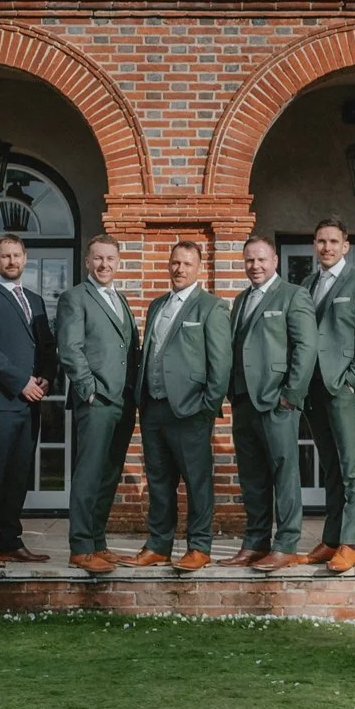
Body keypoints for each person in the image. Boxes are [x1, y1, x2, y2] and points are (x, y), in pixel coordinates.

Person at [120, 240, 231, 573]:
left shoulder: (211, 307)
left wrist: (207, 407)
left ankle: (199, 546)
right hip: (153, 408)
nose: (179, 269)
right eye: (175, 263)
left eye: (186, 264)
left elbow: (221, 363)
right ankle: (158, 545)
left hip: (191, 409)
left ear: (199, 268)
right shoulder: (157, 305)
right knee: (158, 481)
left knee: (197, 482)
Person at [223, 235, 316, 572]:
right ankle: (255, 542)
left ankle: (286, 544)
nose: (255, 266)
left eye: (261, 259)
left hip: (277, 401)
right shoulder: (240, 299)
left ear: (274, 261)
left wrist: (291, 396)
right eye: (249, 260)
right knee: (252, 476)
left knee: (283, 474)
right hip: (243, 400)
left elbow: (306, 347)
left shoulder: (293, 295)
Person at [296, 215, 355, 574]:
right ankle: (331, 539)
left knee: (352, 467)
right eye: (321, 241)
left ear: (346, 245)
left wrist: (353, 378)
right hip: (314, 388)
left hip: (344, 388)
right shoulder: (307, 283)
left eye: (333, 241)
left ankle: (350, 543)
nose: (327, 247)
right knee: (330, 465)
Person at [0, 234, 56, 568]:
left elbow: (46, 346)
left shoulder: (35, 300)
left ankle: (10, 541)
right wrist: (21, 382)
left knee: (19, 475)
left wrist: (46, 377)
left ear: (25, 258)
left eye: (16, 255)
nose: (12, 261)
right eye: (5, 256)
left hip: (30, 403)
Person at [53, 235, 139, 574]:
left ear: (118, 263)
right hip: (97, 400)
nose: (104, 265)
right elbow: (70, 349)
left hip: (124, 400)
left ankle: (98, 541)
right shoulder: (74, 298)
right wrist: (89, 390)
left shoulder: (121, 299)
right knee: (89, 474)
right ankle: (80, 547)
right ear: (87, 261)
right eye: (98, 258)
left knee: (109, 473)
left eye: (110, 259)